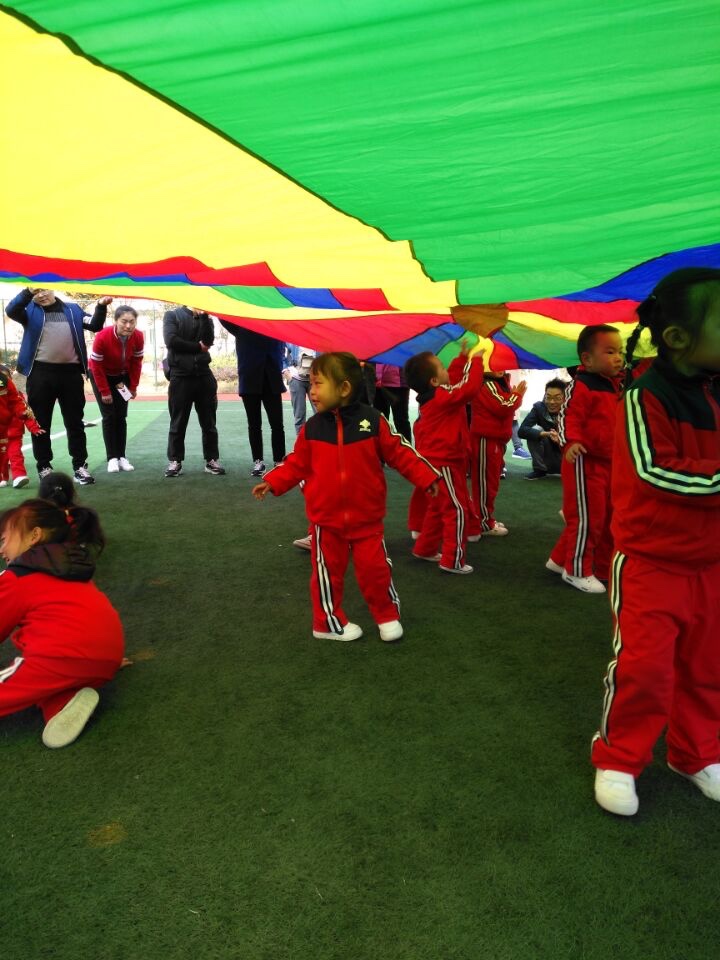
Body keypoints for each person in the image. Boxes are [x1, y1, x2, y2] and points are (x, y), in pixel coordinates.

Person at [591, 267, 720, 817]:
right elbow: (655, 472)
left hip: (711, 563)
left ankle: (696, 754)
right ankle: (619, 759)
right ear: (678, 338)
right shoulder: (645, 397)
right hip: (651, 563)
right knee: (644, 668)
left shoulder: (715, 391)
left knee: (708, 667)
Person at [252, 352, 439, 643]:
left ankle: (386, 615)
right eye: (311, 383)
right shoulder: (313, 428)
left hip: (367, 519)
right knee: (327, 575)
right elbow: (296, 463)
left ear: (344, 388)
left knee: (376, 570)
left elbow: (400, 452)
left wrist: (426, 476)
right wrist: (273, 481)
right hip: (326, 522)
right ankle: (326, 623)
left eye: (318, 383)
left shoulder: (373, 421)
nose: (312, 390)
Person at [0, 485, 124, 748]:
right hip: (107, 657)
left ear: (34, 535)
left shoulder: (18, 576)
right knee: (42, 684)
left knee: (19, 681)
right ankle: (62, 702)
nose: (2, 550)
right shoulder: (69, 566)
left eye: (4, 540)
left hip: (60, 655)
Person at [5, 287, 111, 484]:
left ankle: (80, 466)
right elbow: (11, 310)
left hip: (71, 374)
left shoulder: (73, 310)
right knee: (40, 423)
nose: (41, 295)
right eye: (36, 292)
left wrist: (101, 306)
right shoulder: (29, 311)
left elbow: (95, 325)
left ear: (52, 288)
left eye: (44, 290)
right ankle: (44, 467)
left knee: (75, 422)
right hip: (40, 374)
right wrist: (27, 293)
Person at [547, 325, 624, 593]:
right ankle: (576, 570)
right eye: (610, 352)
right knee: (588, 518)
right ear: (587, 359)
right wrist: (572, 442)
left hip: (607, 462)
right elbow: (568, 416)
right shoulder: (582, 385)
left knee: (605, 516)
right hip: (584, 460)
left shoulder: (615, 384)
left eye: (620, 352)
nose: (618, 357)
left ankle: (567, 561)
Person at [404, 343, 484, 573]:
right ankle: (453, 560)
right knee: (456, 510)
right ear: (434, 381)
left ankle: (425, 548)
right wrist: (477, 361)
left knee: (438, 509)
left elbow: (454, 382)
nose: (446, 369)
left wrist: (462, 358)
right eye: (442, 367)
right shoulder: (441, 398)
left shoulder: (438, 396)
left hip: (441, 462)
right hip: (443, 463)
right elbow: (468, 389)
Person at [163, 304, 225, 478]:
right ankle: (175, 461)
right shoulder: (172, 315)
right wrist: (197, 347)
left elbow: (208, 341)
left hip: (204, 377)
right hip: (180, 377)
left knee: (209, 423)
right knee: (177, 422)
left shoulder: (207, 318)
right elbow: (171, 341)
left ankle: (211, 460)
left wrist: (204, 317)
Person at [219, 322, 286, 477]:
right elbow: (223, 318)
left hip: (271, 378)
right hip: (250, 378)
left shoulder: (273, 323)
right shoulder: (241, 324)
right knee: (254, 424)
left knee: (277, 423)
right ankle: (258, 461)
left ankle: (279, 461)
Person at [469, 369, 527, 535]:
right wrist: (517, 395)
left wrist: (514, 394)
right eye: (493, 365)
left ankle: (485, 518)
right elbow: (503, 406)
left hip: (493, 440)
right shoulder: (486, 384)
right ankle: (482, 522)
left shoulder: (497, 382)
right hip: (486, 440)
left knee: (490, 483)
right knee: (485, 484)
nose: (499, 368)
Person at [89, 305, 145, 473]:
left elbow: (136, 362)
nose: (128, 326)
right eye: (124, 321)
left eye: (132, 322)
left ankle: (122, 457)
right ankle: (112, 458)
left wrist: (133, 386)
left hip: (122, 378)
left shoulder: (138, 336)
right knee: (109, 416)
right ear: (115, 321)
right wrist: (104, 391)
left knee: (121, 416)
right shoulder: (102, 336)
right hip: (102, 375)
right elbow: (96, 366)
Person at [0, 364, 43, 489]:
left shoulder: (15, 394)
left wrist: (34, 427)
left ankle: (19, 476)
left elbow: (24, 410)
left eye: (7, 377)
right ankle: (3, 477)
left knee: (15, 455)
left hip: (14, 433)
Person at [517, 377, 567, 479]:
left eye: (557, 398)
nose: (551, 402)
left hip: (568, 459)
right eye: (548, 397)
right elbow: (522, 431)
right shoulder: (539, 408)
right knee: (536, 429)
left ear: (565, 398)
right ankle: (539, 469)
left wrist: (561, 438)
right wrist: (546, 434)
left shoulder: (572, 410)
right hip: (548, 458)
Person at [283, 343, 316, 435]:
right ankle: (301, 441)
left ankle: (321, 440)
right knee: (299, 415)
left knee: (321, 413)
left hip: (315, 379)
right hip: (296, 379)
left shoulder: (318, 338)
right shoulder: (292, 339)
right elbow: (281, 352)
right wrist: (285, 372)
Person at [373, 363, 412, 443]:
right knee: (380, 420)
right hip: (378, 383)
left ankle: (406, 447)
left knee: (401, 420)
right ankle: (382, 446)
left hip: (399, 384)